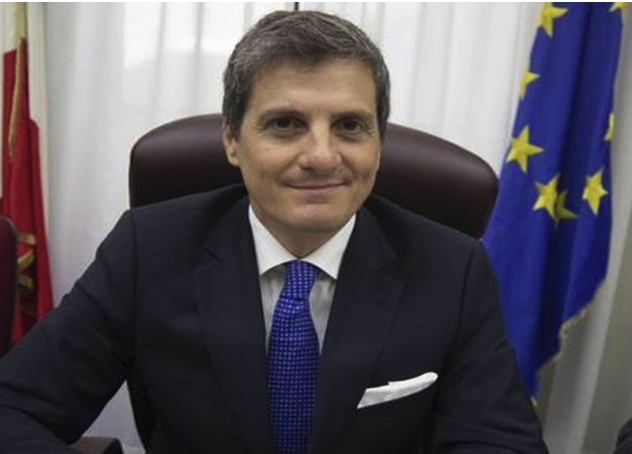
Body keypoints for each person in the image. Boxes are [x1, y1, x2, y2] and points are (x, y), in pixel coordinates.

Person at [0, 9, 548, 454]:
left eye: (350, 126)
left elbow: (500, 443)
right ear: (232, 140)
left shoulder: (452, 268)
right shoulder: (150, 248)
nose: (321, 155)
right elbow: (15, 410)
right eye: (286, 124)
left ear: (379, 143)